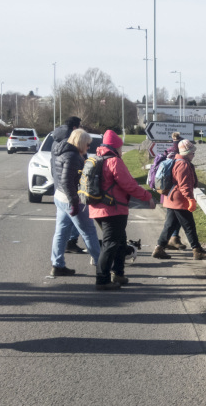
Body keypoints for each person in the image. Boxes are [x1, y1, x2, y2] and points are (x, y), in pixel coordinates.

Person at [89, 130, 155, 291]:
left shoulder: (96, 158)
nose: (121, 150)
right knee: (110, 243)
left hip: (96, 208)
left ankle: (118, 273)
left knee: (119, 241)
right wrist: (147, 196)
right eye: (120, 147)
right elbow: (129, 185)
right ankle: (102, 279)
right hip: (113, 209)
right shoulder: (114, 161)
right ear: (115, 147)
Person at [49, 128, 101, 276]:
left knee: (60, 232)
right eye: (87, 144)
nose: (88, 147)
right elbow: (67, 181)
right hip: (70, 199)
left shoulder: (61, 151)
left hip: (59, 196)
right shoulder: (72, 156)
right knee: (88, 231)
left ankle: (57, 264)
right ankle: (100, 264)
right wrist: (74, 203)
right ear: (81, 142)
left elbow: (60, 178)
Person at [152, 140, 206, 261]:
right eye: (193, 153)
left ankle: (159, 248)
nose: (194, 155)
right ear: (187, 153)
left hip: (172, 199)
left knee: (169, 226)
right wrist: (190, 199)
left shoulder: (177, 161)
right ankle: (197, 250)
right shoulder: (183, 165)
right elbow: (184, 185)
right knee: (189, 226)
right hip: (180, 200)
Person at [51, 116, 85, 255]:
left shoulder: (55, 140)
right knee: (82, 221)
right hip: (70, 186)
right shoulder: (72, 142)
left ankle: (58, 260)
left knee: (62, 226)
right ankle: (72, 242)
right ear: (75, 128)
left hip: (59, 185)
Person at [148, 131, 187, 250]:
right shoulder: (178, 155)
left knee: (172, 218)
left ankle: (170, 240)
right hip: (174, 193)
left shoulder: (167, 153)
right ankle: (165, 243)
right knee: (174, 219)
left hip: (165, 191)